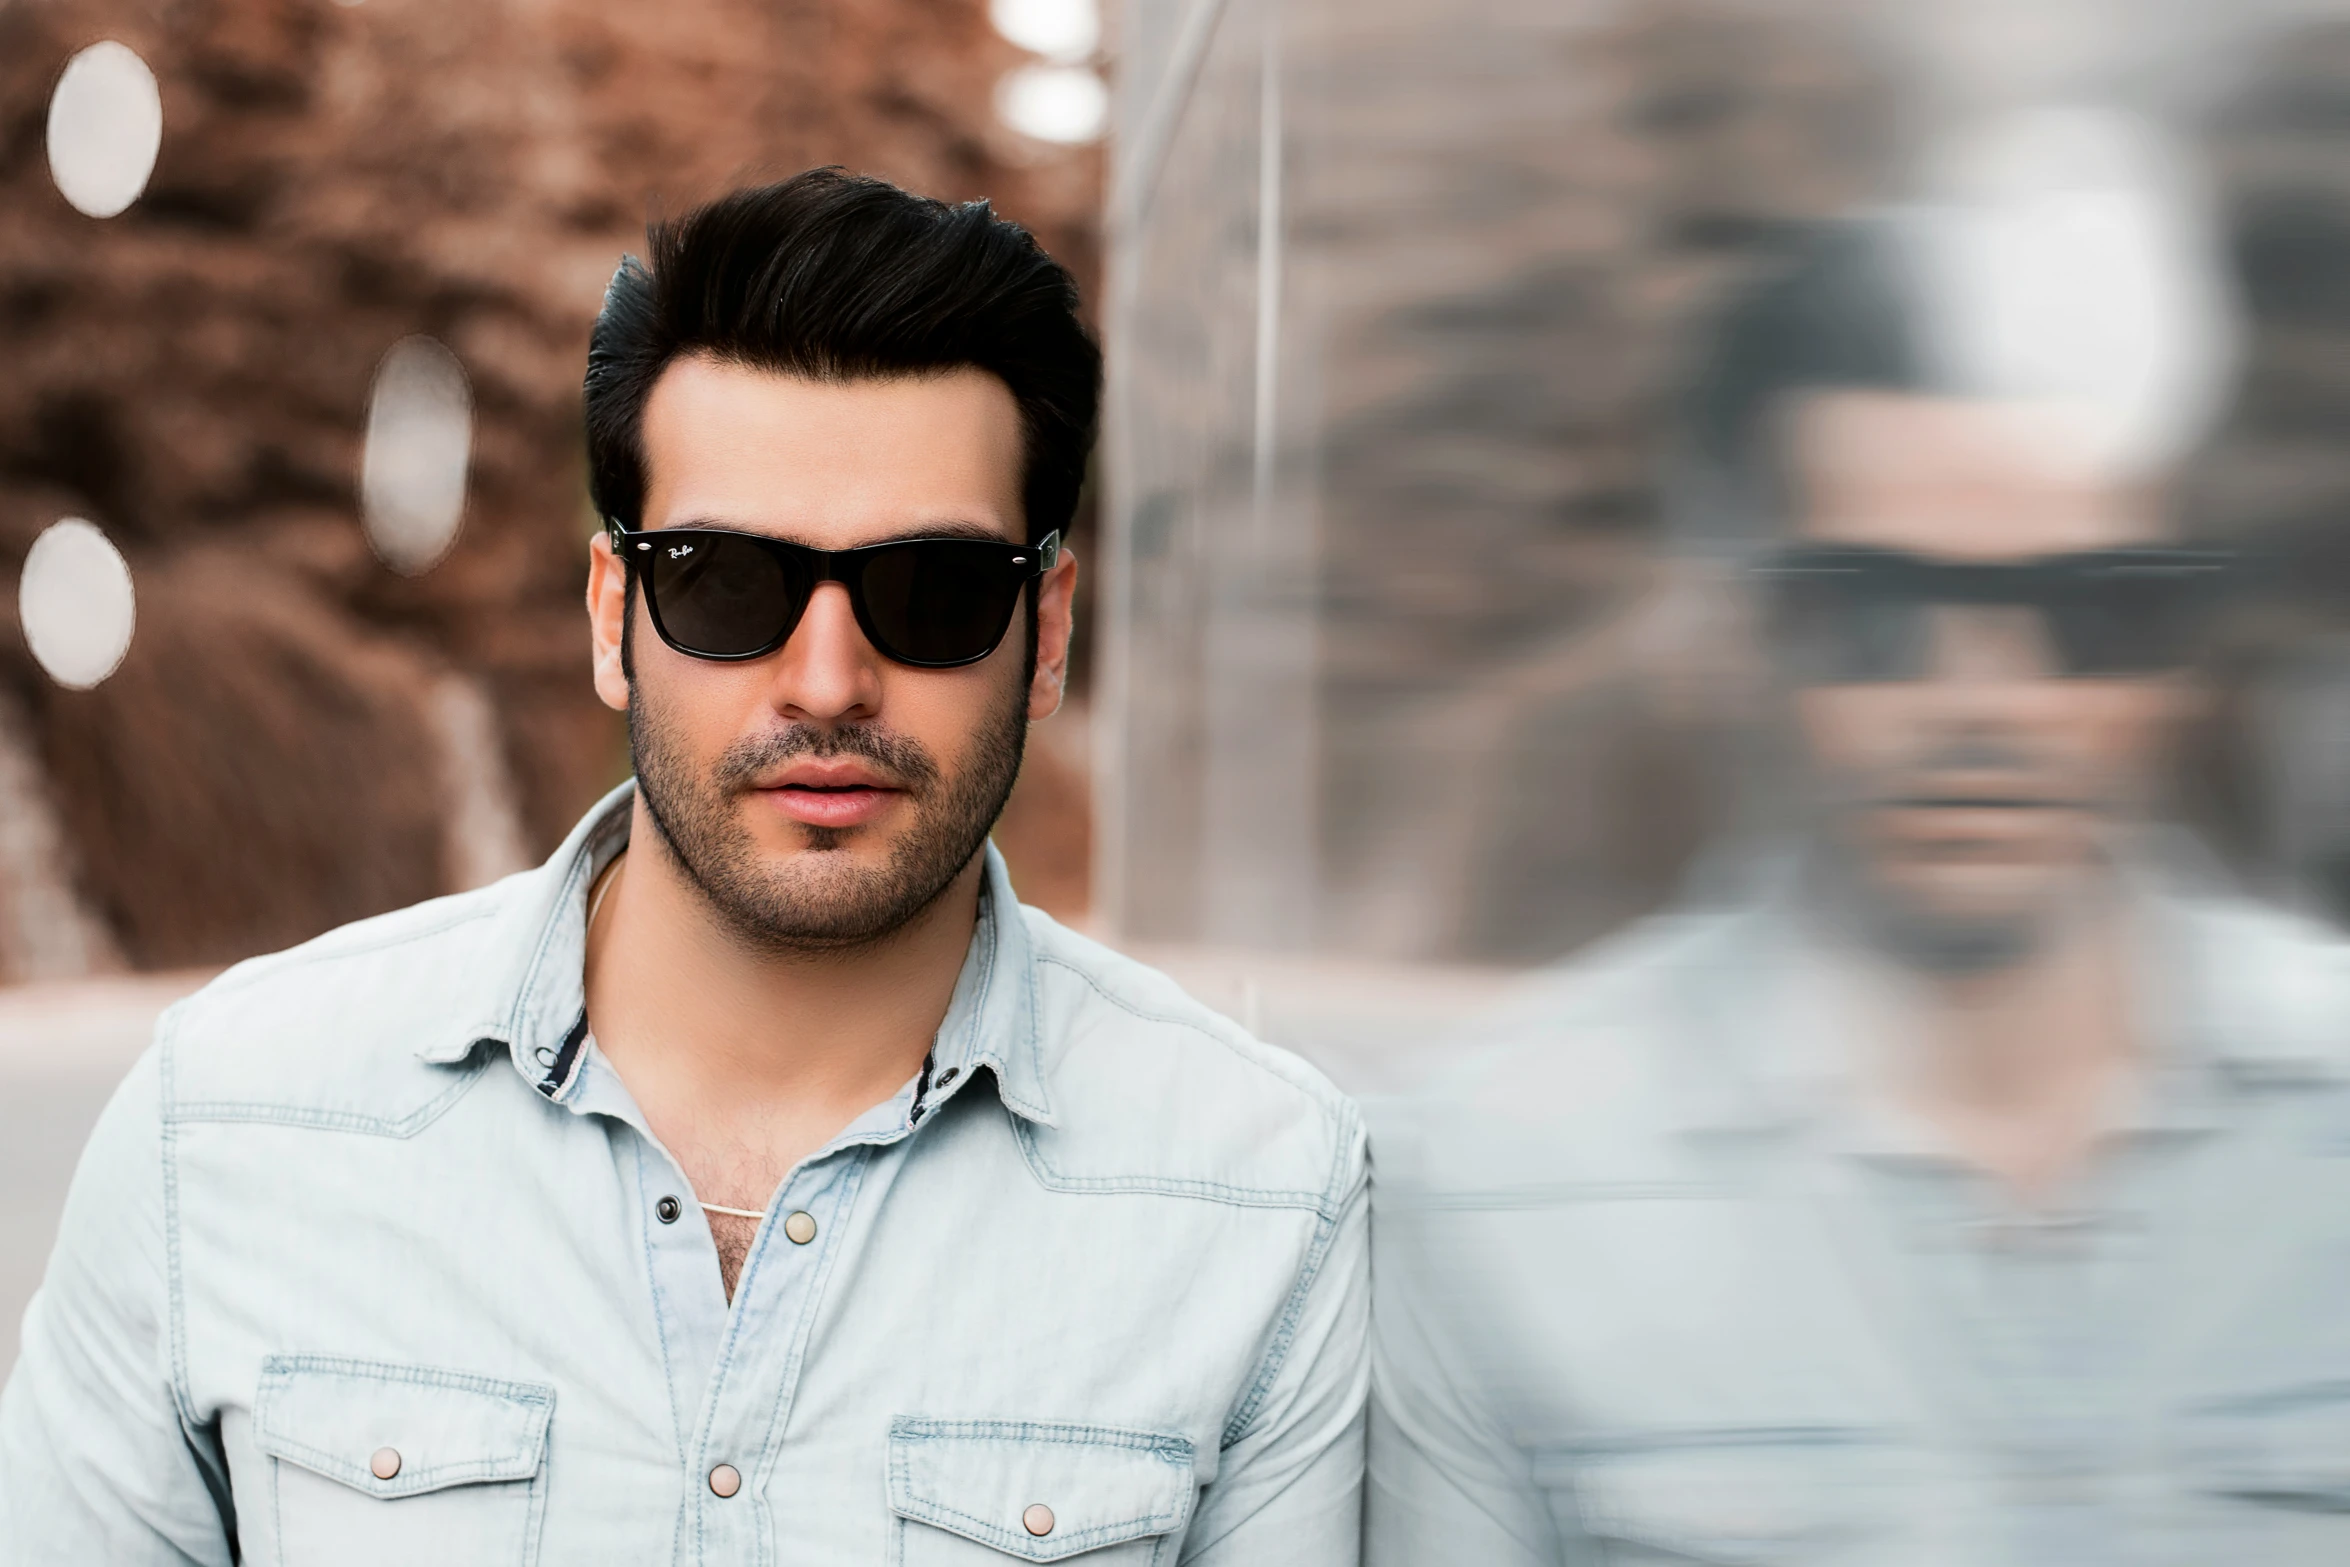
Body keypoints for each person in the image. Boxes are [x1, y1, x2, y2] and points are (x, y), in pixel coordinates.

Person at [0, 170, 1367, 1565]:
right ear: (614, 617)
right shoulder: (227, 1123)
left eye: (934, 593)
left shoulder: (1254, 1195)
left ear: (1049, 630)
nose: (829, 681)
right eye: (725, 578)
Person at [1366, 208, 2350, 1563]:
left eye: (2089, 609)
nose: (1980, 699)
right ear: (1743, 629)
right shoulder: (1490, 1172)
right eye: (1871, 607)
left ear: (2183, 643)